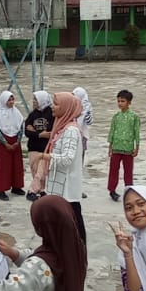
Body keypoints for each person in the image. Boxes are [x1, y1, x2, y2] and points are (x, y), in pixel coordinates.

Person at [43, 91, 86, 241]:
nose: (52, 107)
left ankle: (77, 252)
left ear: (66, 107)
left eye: (56, 104)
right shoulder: (62, 127)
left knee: (72, 227)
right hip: (60, 188)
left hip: (66, 189)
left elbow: (67, 158)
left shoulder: (71, 131)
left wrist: (46, 157)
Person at [106, 89, 140, 201]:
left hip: (128, 148)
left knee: (128, 171)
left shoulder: (134, 117)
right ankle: (112, 190)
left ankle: (128, 189)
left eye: (123, 101)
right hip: (116, 147)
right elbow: (112, 131)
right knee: (113, 170)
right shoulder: (116, 116)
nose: (120, 103)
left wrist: (137, 147)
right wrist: (110, 146)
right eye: (118, 101)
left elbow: (136, 132)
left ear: (129, 102)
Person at [0, 90, 25, 201]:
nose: (11, 102)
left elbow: (20, 127)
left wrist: (17, 141)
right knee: (3, 167)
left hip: (15, 142)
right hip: (3, 144)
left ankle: (16, 187)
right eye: (9, 100)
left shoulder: (17, 112)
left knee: (17, 165)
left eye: (12, 99)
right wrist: (6, 143)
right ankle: (1, 190)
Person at [23, 90, 54, 202]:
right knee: (35, 170)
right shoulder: (32, 115)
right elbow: (27, 131)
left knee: (42, 171)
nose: (34, 102)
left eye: (36, 100)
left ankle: (32, 191)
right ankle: (41, 190)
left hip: (45, 148)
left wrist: (35, 132)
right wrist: (40, 134)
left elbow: (50, 132)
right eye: (34, 100)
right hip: (33, 147)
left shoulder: (51, 114)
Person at [72, 86, 94, 155]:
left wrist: (86, 111)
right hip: (71, 133)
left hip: (82, 135)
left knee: (80, 155)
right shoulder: (71, 105)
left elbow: (89, 122)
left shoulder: (87, 107)